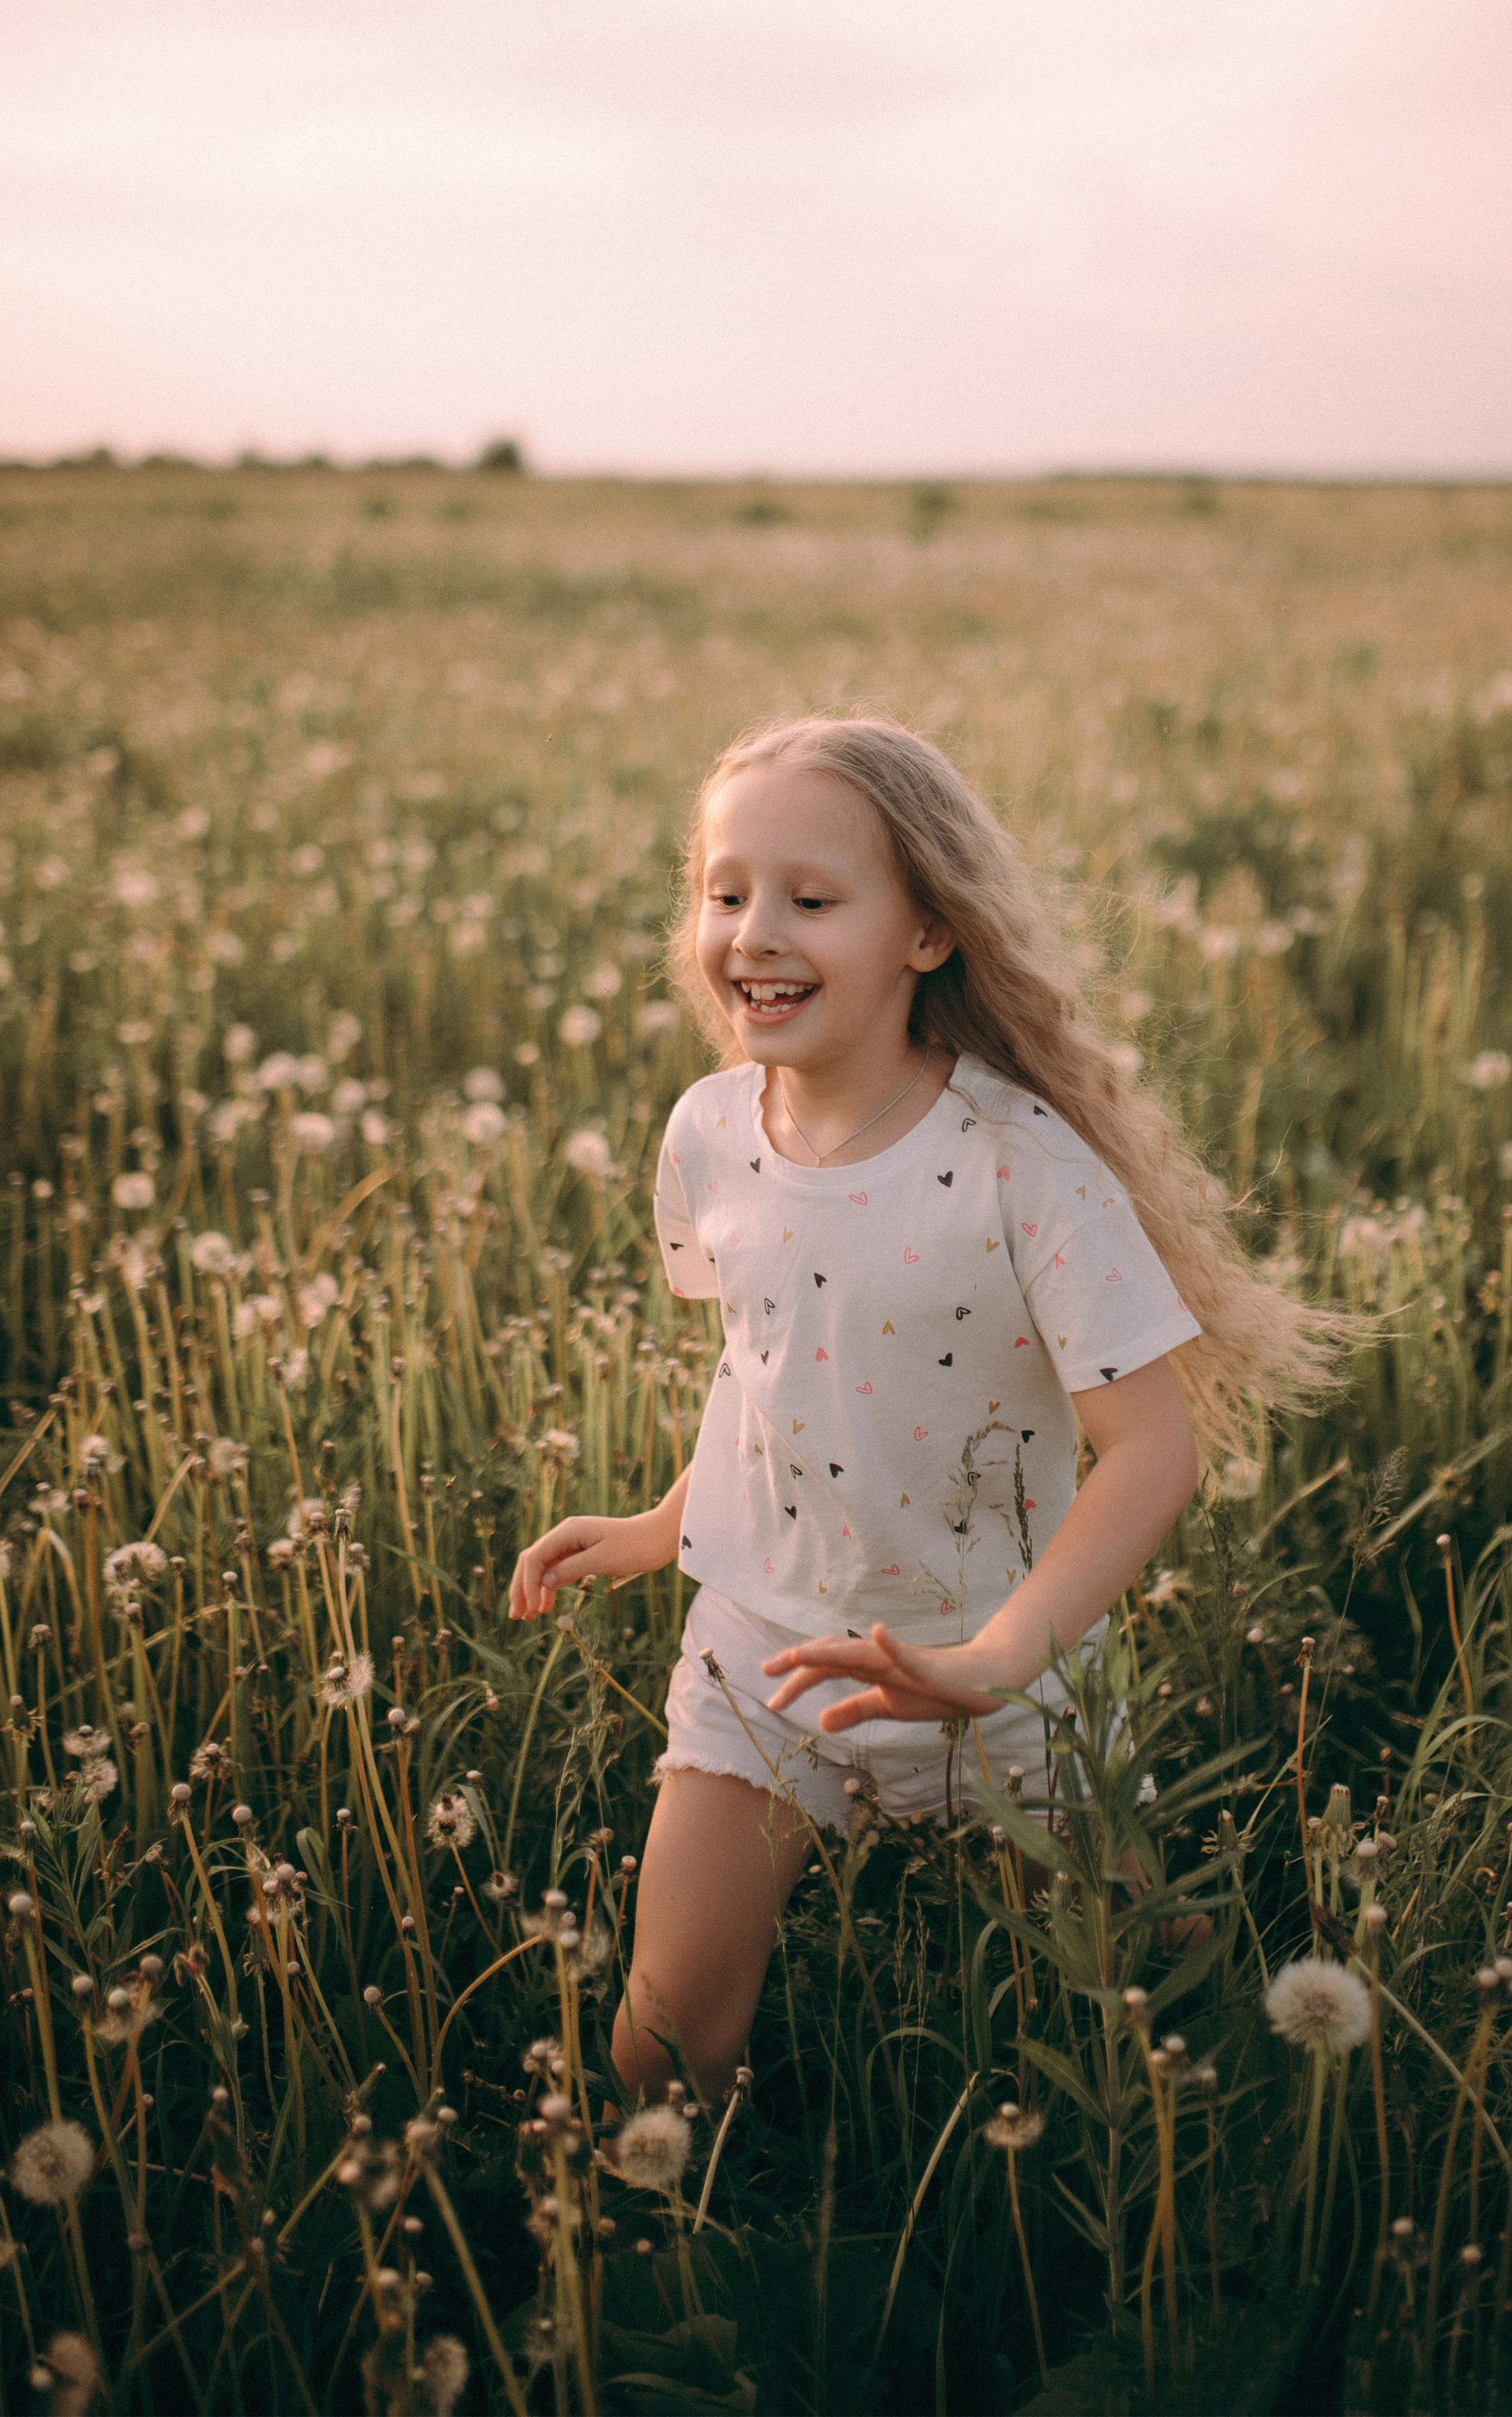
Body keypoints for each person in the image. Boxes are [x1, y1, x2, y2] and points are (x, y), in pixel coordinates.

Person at [509, 712, 1349, 2108]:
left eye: (811, 900)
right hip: (765, 1651)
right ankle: (659, 2227)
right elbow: (771, 1365)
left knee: (1150, 2011)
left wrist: (1004, 1656)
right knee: (658, 2047)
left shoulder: (1020, 1161)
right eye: (725, 893)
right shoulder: (709, 1131)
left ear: (928, 932)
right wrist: (665, 1525)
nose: (753, 934)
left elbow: (1150, 1447)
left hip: (1001, 1664)